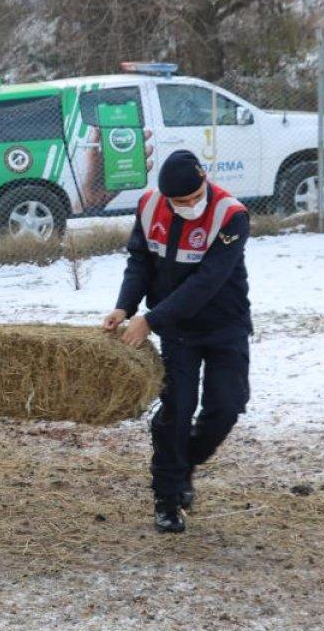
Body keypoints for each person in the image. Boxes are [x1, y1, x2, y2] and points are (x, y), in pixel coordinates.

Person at [102, 150, 251, 534]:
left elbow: (207, 282)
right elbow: (140, 260)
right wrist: (124, 307)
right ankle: (166, 498)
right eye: (179, 202)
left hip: (224, 325)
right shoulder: (150, 206)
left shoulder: (231, 215)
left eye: (193, 197)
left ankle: (185, 464)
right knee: (178, 409)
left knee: (227, 406)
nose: (188, 206)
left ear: (204, 182)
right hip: (177, 331)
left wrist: (149, 320)